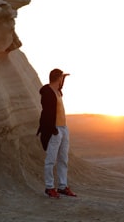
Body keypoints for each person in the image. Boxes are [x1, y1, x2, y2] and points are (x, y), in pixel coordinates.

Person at [36, 68, 77, 199]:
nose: (62, 81)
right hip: (55, 130)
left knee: (63, 159)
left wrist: (64, 77)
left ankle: (62, 186)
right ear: (57, 78)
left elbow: (60, 86)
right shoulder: (47, 92)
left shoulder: (58, 91)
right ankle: (49, 187)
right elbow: (45, 113)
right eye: (61, 78)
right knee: (50, 160)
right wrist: (51, 129)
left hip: (63, 128)